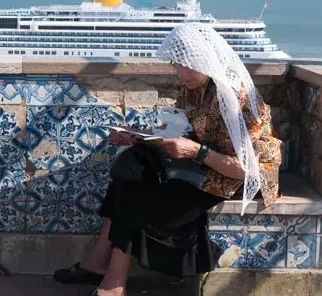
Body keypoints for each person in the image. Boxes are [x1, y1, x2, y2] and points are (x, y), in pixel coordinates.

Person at [53, 23, 283, 296]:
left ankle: (113, 284)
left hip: (238, 175)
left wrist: (196, 152)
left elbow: (246, 171)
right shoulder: (193, 86)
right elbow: (179, 129)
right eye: (177, 64)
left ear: (205, 58)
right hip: (206, 162)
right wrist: (135, 135)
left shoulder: (233, 96)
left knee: (137, 196)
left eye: (188, 65)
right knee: (127, 176)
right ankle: (97, 265)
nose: (180, 73)